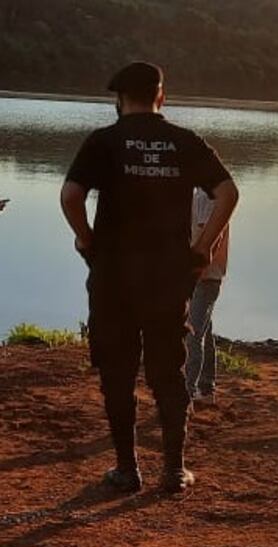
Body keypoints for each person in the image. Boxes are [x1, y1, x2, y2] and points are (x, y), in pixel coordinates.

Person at [60, 62, 239, 493]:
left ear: (120, 100)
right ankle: (174, 470)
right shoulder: (183, 141)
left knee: (117, 373)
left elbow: (70, 196)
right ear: (161, 96)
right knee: (168, 371)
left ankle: (127, 470)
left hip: (114, 278)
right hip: (166, 277)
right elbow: (228, 193)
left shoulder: (104, 141)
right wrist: (204, 247)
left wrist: (87, 241)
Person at [185, 188, 229, 408]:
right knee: (204, 330)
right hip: (204, 276)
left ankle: (186, 395)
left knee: (192, 334)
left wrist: (197, 271)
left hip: (204, 277)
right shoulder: (202, 194)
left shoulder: (206, 195)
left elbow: (210, 238)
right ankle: (206, 389)